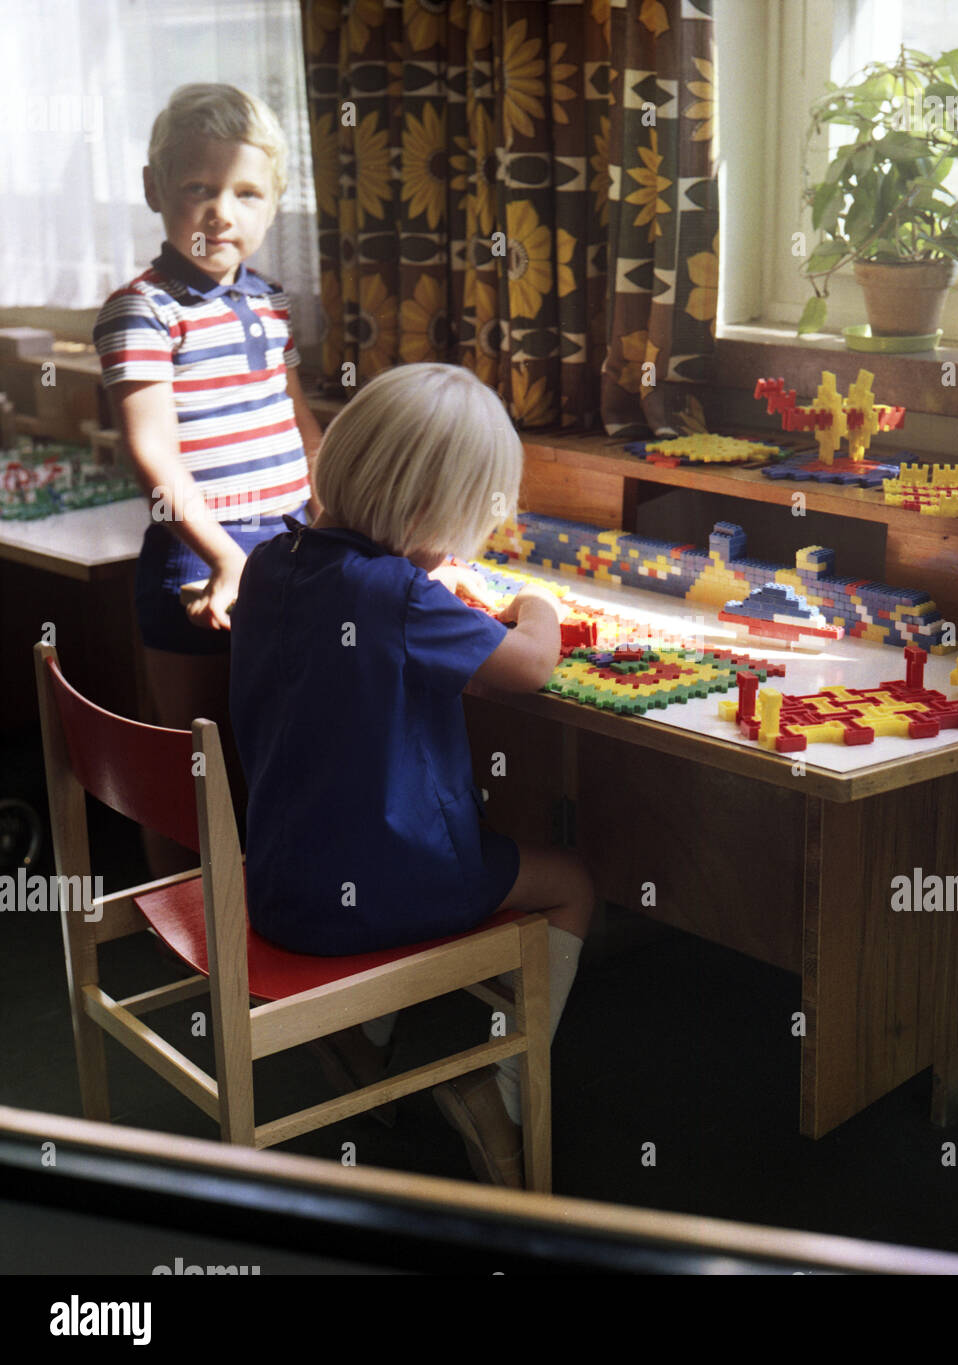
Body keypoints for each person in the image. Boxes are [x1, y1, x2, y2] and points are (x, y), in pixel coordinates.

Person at [229, 363, 596, 1188]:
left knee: (378, 831)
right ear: (437, 516)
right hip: (388, 891)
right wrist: (536, 604)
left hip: (273, 886)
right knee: (571, 879)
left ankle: (364, 1040)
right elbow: (533, 666)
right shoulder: (397, 596)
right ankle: (494, 1091)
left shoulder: (268, 562)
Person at [93, 84, 320, 873]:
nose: (222, 211)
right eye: (198, 188)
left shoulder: (268, 301)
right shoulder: (143, 311)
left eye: (246, 192)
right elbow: (153, 455)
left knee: (279, 749)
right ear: (155, 189)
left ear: (273, 207)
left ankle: (272, 930)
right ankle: (191, 944)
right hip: (200, 554)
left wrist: (334, 516)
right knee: (194, 763)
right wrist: (224, 556)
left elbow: (299, 423)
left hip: (289, 545)